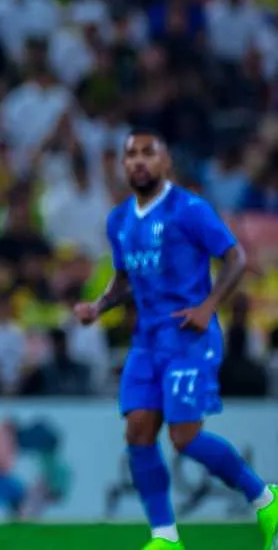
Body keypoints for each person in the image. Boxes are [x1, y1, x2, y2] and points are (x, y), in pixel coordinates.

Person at [74, 130, 278, 550]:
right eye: (131, 154)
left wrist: (209, 306)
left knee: (184, 438)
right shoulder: (119, 220)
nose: (138, 161)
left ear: (166, 162)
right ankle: (165, 537)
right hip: (146, 342)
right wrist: (98, 306)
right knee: (137, 431)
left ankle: (265, 497)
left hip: (189, 336)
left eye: (149, 153)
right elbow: (125, 280)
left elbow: (236, 257)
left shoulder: (190, 209)